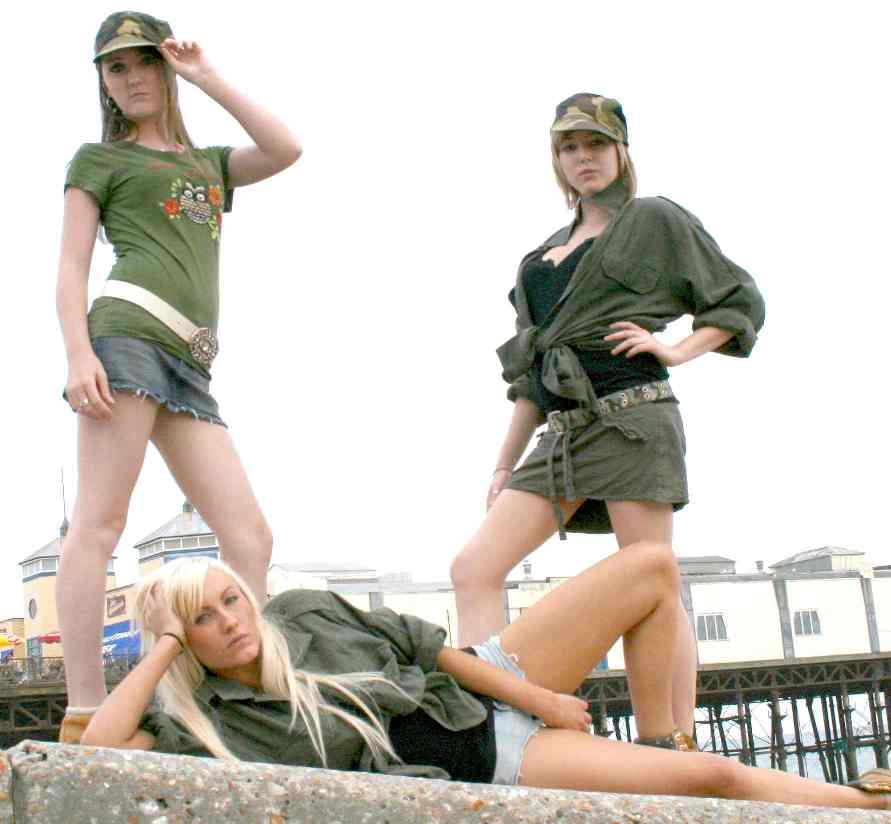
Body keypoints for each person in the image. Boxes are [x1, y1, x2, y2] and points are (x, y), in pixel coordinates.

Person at [80, 552, 890, 811]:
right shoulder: (205, 724)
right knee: (708, 778)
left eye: (230, 599)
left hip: (489, 683)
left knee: (648, 568)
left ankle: (656, 735)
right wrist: (161, 648)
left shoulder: (298, 612)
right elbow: (102, 749)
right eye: (206, 621)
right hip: (485, 759)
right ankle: (863, 803)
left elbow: (427, 647)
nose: (231, 621)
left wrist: (536, 696)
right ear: (188, 639)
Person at [449, 93, 766, 744]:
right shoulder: (537, 259)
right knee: (473, 569)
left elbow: (736, 299)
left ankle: (667, 742)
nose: (582, 158)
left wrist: (674, 349)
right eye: (568, 147)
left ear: (620, 151)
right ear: (555, 160)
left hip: (633, 418)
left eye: (594, 144)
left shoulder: (653, 219)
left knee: (649, 574)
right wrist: (505, 460)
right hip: (560, 434)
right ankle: (497, 723)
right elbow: (531, 376)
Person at [56, 11, 301, 743]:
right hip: (126, 338)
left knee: (249, 538)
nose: (131, 79)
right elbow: (70, 266)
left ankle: (235, 693)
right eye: (115, 68)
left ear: (166, 70)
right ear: (102, 80)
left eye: (144, 64)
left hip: (190, 367)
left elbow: (285, 147)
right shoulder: (99, 160)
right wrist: (78, 354)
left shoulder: (209, 164)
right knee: (101, 520)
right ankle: (85, 711)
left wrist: (207, 75)